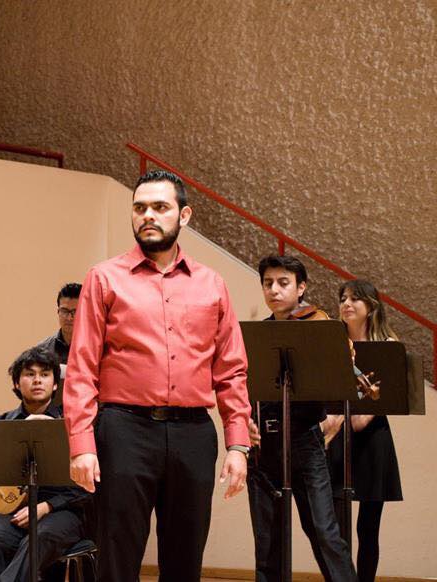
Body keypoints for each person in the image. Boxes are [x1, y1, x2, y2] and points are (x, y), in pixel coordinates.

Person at [65, 169, 251, 581]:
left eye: (160, 207)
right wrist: (81, 444)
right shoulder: (104, 277)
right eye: (140, 208)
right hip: (123, 431)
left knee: (185, 560)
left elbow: (231, 370)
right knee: (117, 555)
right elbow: (81, 367)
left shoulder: (212, 284)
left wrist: (238, 445)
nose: (147, 215)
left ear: (184, 215)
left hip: (193, 434)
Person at [247, 255, 356, 581]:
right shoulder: (259, 334)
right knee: (268, 542)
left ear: (301, 287)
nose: (274, 290)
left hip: (305, 441)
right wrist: (245, 421)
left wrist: (331, 420)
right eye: (268, 283)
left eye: (283, 283)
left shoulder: (317, 328)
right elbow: (242, 385)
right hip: (264, 445)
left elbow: (340, 378)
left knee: (325, 532)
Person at [0, 347, 88, 582]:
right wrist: (19, 432)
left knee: (36, 540)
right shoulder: (2, 423)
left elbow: (87, 486)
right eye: (29, 374)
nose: (37, 380)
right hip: (17, 508)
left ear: (54, 385)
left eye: (45, 374)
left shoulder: (74, 426)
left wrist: (46, 506)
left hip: (65, 511)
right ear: (16, 383)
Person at [324, 279, 402, 582]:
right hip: (338, 437)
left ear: (371, 306)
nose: (346, 304)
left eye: (354, 299)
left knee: (368, 528)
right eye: (343, 298)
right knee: (335, 527)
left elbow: (371, 411)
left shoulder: (388, 346)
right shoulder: (332, 344)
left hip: (372, 439)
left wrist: (356, 412)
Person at [35, 283, 81, 365]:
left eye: (75, 312)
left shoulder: (97, 348)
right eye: (64, 311)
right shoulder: (42, 350)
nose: (69, 318)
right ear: (58, 311)